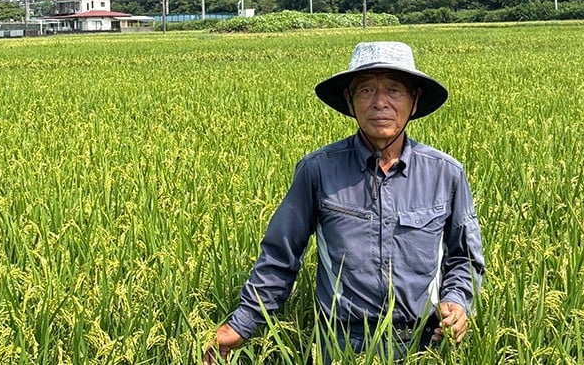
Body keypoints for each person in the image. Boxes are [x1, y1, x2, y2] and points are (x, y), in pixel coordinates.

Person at [205, 41, 485, 363]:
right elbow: (281, 257)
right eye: (366, 91)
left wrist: (458, 302)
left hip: (422, 345)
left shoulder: (445, 174)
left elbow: (464, 257)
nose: (380, 103)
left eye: (394, 90)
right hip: (340, 346)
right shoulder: (318, 170)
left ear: (414, 101)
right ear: (350, 102)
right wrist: (241, 325)